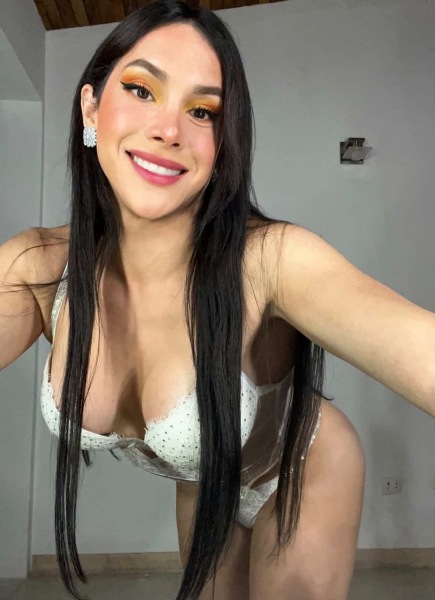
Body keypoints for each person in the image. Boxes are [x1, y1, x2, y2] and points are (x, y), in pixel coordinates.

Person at [1, 1, 433, 599]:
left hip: (302, 466)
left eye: (202, 111)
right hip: (207, 482)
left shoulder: (270, 259)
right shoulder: (40, 269)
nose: (169, 130)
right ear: (91, 108)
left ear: (223, 142)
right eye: (141, 90)